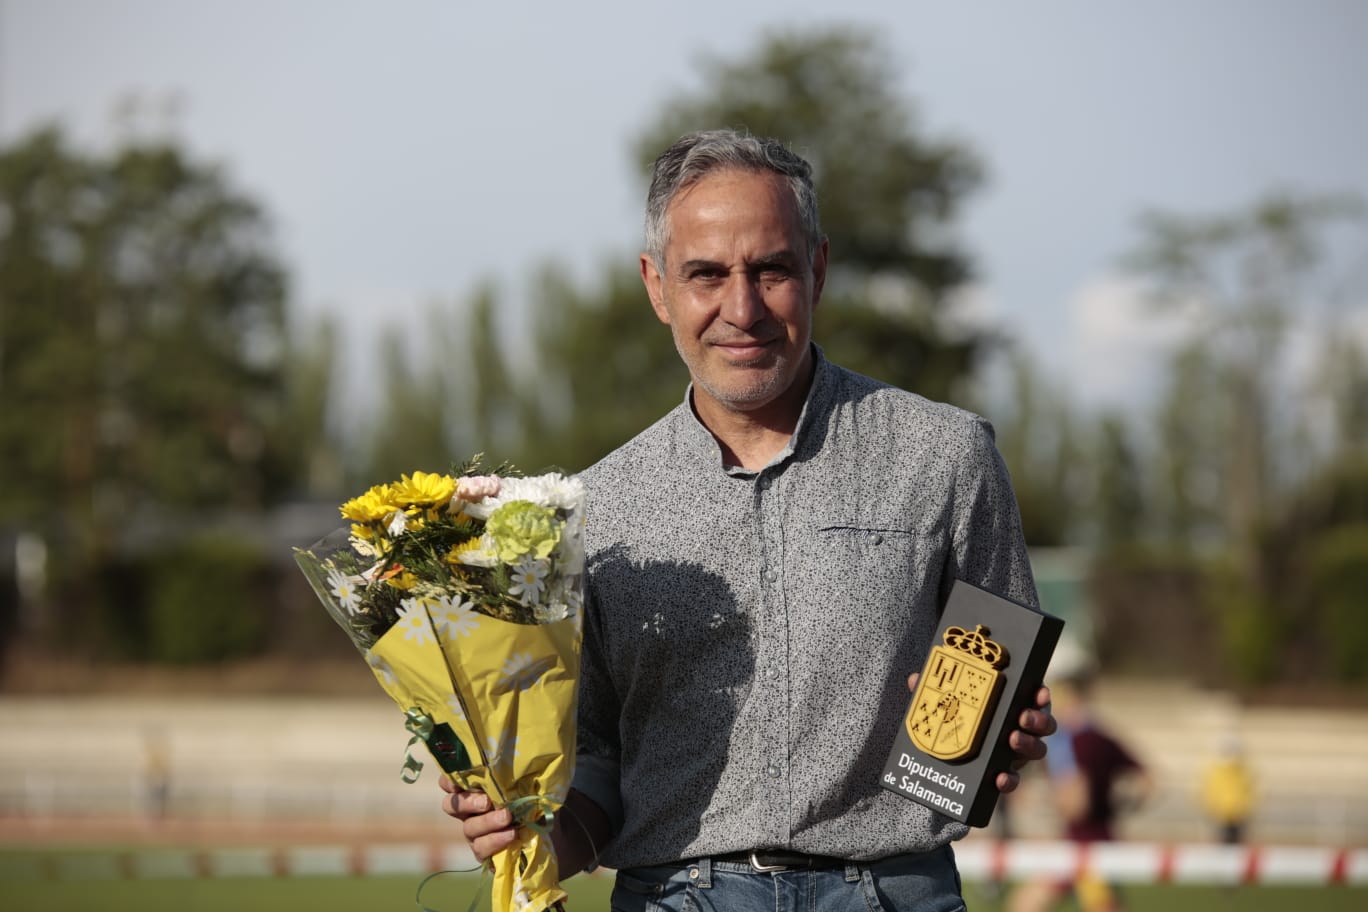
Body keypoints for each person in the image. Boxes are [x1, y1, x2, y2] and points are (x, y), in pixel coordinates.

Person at [443, 128, 1056, 910]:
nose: (742, 308)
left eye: (771, 270)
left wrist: (1010, 728)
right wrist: (532, 833)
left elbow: (1000, 688)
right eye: (706, 275)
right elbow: (597, 763)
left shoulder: (945, 455)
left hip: (893, 891)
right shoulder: (597, 509)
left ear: (819, 270)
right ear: (657, 286)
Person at [1008, 657, 1152, 912]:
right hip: (1084, 841)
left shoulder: (1072, 743)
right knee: (1026, 904)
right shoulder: (1101, 736)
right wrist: (1118, 806)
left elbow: (1077, 804)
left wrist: (1047, 801)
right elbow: (1147, 779)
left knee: (1026, 905)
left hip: (1087, 846)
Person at [1200, 736, 1255, 844]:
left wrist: (1243, 809)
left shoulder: (1243, 771)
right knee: (1219, 843)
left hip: (1239, 815)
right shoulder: (1214, 771)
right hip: (1219, 815)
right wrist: (1213, 808)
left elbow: (1250, 793)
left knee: (1237, 844)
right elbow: (1207, 792)